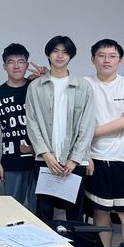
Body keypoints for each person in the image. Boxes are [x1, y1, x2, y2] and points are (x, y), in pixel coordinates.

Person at [26, 35, 95, 222]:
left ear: (70, 56)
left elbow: (87, 125)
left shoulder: (83, 86)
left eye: (65, 52)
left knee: (75, 215)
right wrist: (46, 154)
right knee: (44, 213)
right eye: (55, 51)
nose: (59, 55)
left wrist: (74, 158)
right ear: (48, 54)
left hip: (75, 162)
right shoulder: (35, 87)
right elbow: (31, 122)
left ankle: (74, 243)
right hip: (45, 160)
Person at [84, 39, 124, 247]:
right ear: (93, 59)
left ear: (120, 61)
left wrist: (89, 133)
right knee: (100, 213)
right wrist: (85, 152)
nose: (106, 60)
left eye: (112, 56)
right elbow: (76, 120)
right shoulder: (85, 84)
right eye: (101, 55)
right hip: (95, 159)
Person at [0, 43, 46, 212]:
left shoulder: (36, 87)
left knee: (39, 209)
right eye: (11, 62)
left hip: (40, 158)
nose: (16, 66)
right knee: (12, 210)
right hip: (11, 160)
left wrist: (47, 76)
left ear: (27, 65)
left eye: (21, 61)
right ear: (4, 66)